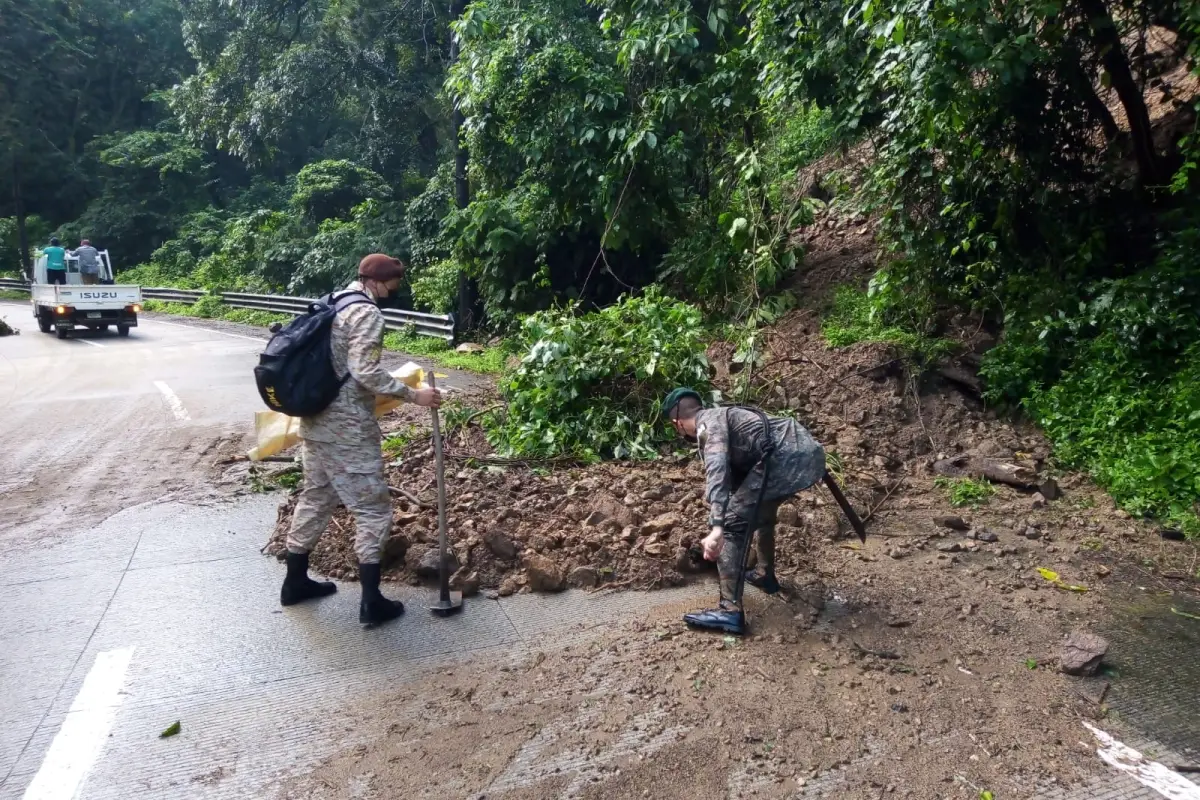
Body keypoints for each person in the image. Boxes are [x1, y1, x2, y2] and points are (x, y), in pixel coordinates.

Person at [280, 254, 442, 626]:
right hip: (348, 429)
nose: (395, 290)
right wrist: (412, 395)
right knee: (373, 509)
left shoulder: (335, 301)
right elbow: (365, 371)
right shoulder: (367, 314)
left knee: (317, 495)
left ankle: (295, 582)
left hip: (315, 420)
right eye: (394, 284)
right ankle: (371, 602)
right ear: (380, 282)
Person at [663, 388, 826, 635]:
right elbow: (739, 478)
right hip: (804, 453)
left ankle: (729, 611)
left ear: (677, 423)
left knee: (732, 525)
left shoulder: (708, 424)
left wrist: (718, 527)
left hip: (783, 459)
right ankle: (764, 575)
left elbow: (717, 471)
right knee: (759, 513)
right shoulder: (726, 415)